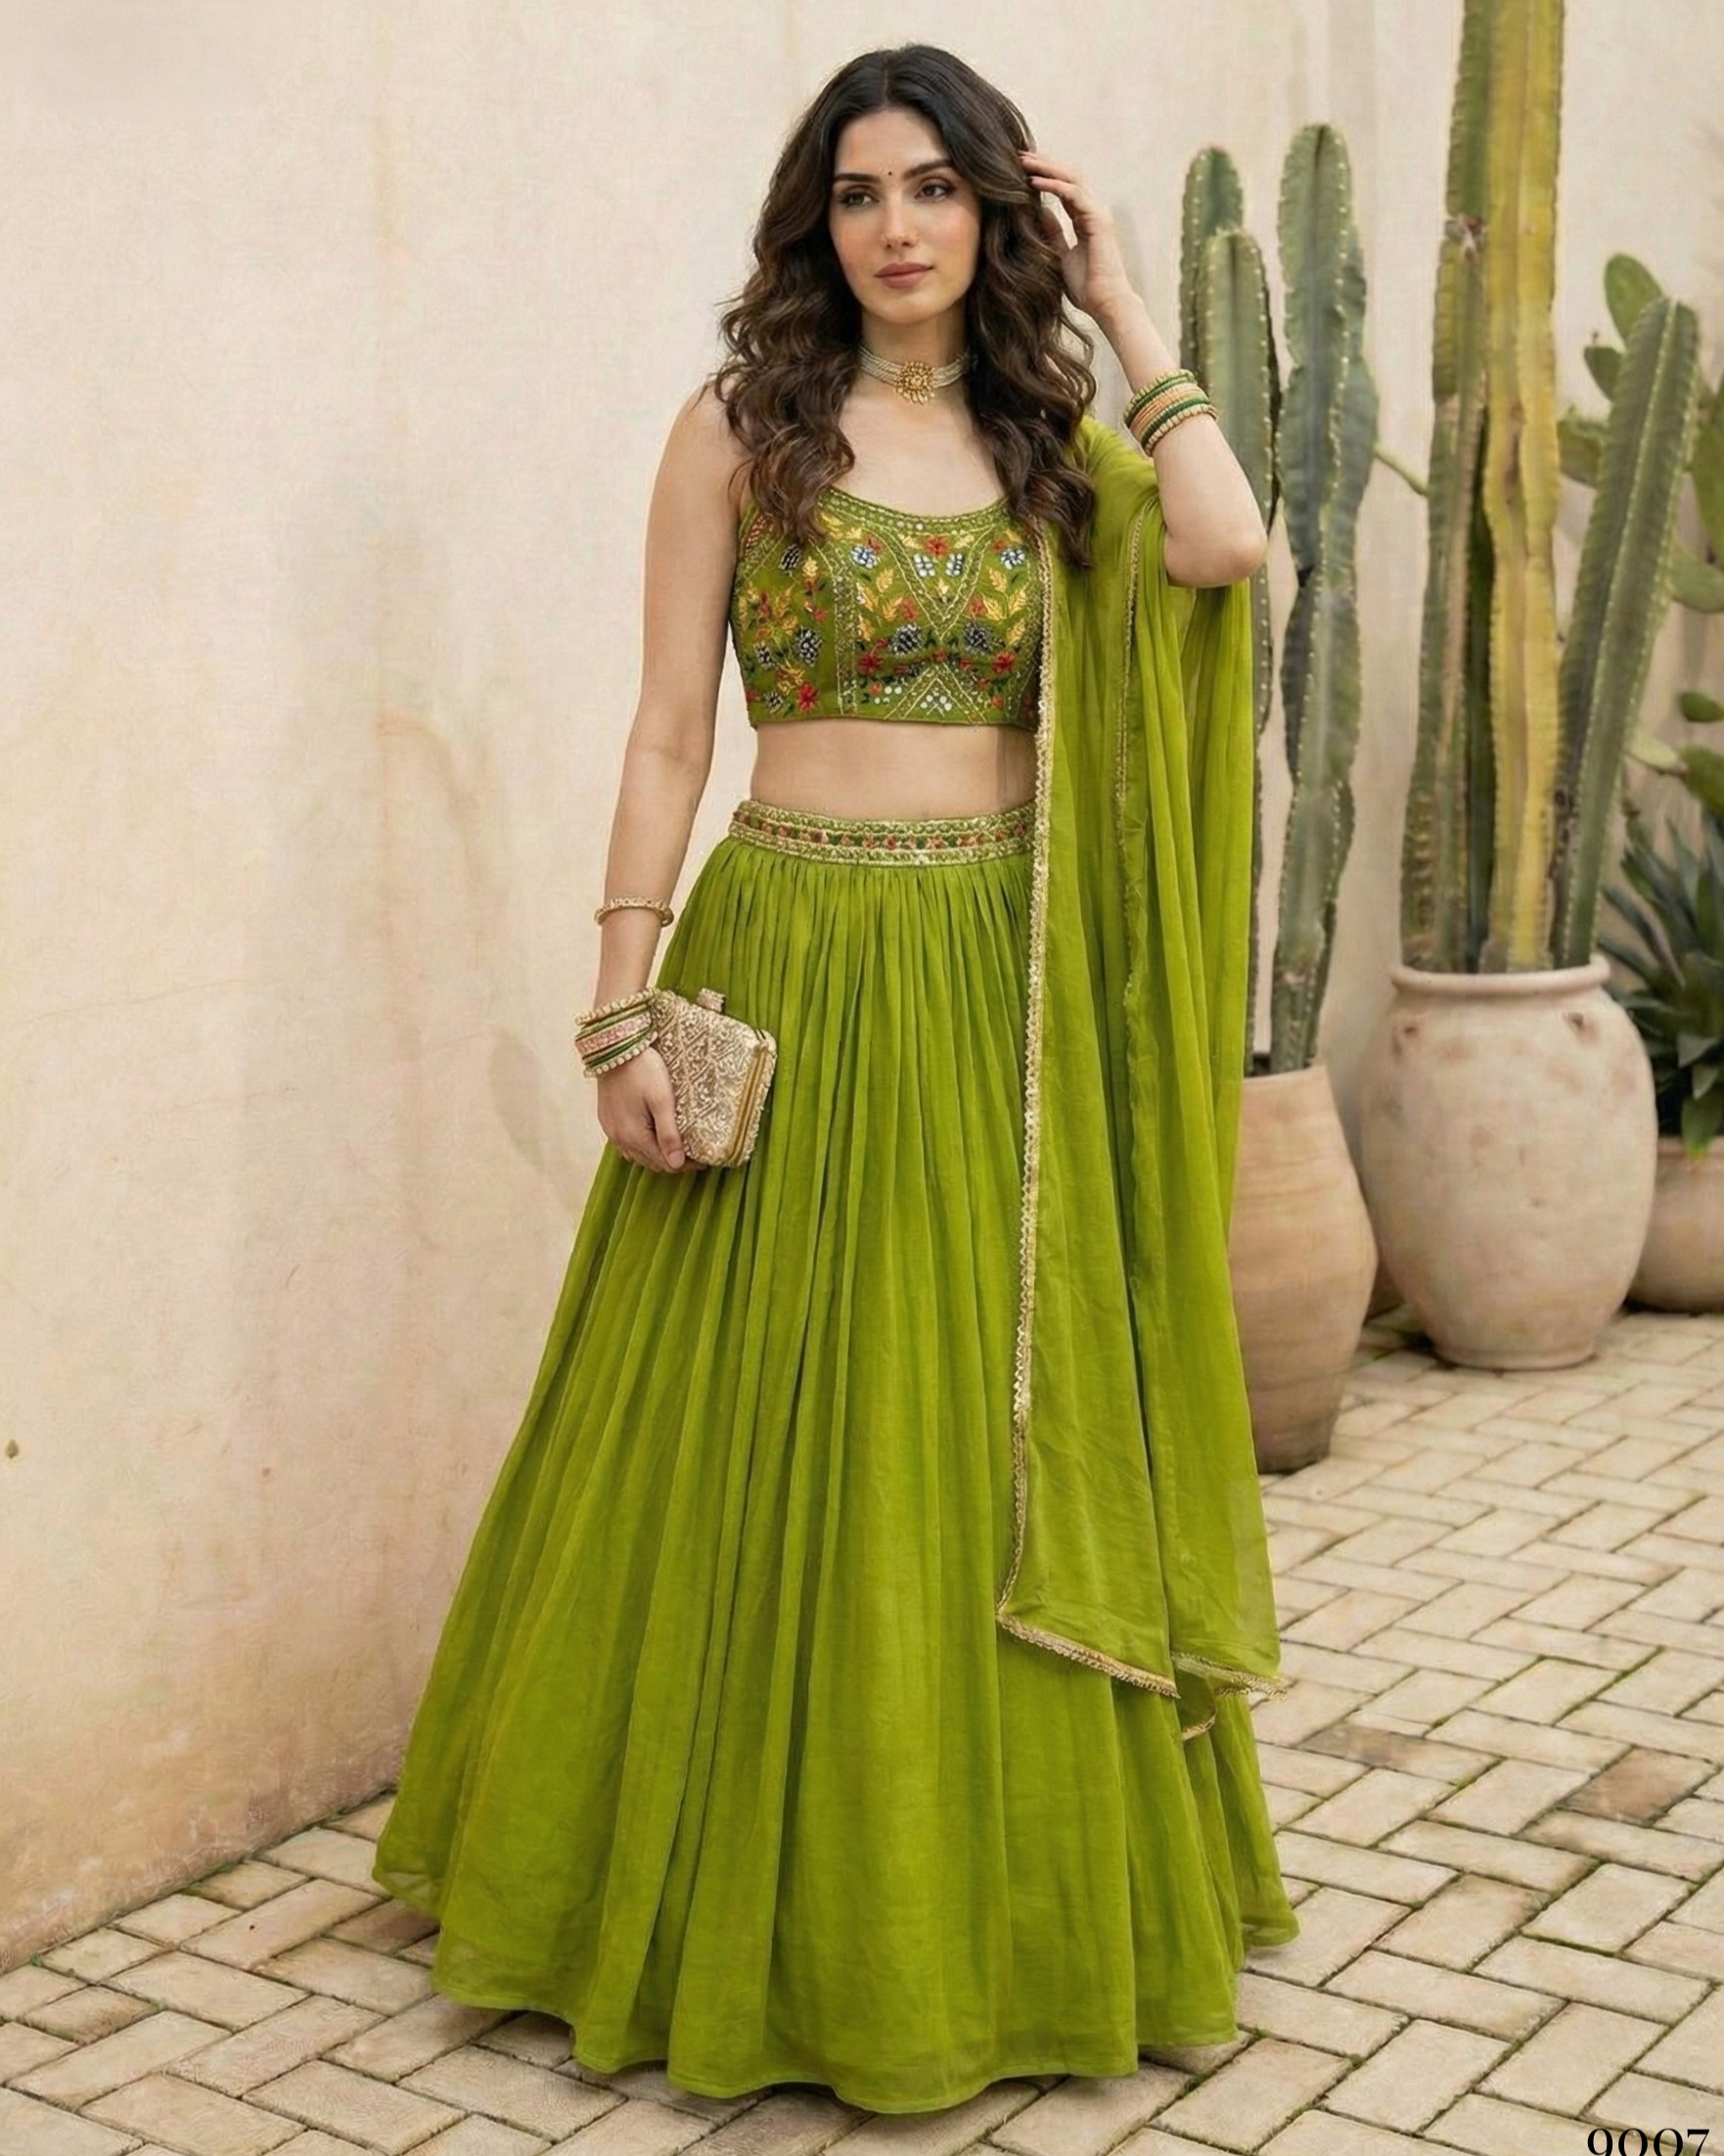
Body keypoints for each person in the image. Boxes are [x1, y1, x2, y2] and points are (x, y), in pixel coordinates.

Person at [371, 40, 1296, 2118]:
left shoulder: (1058, 439)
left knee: (973, 1432)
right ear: (818, 219)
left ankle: (977, 1918)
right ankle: (693, 1896)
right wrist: (619, 996)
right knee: (735, 1424)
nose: (898, 227)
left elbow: (1226, 548)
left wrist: (1128, 301)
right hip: (782, 949)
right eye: (862, 191)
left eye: (939, 190)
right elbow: (663, 737)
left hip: (987, 980)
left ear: (999, 214)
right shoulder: (737, 430)